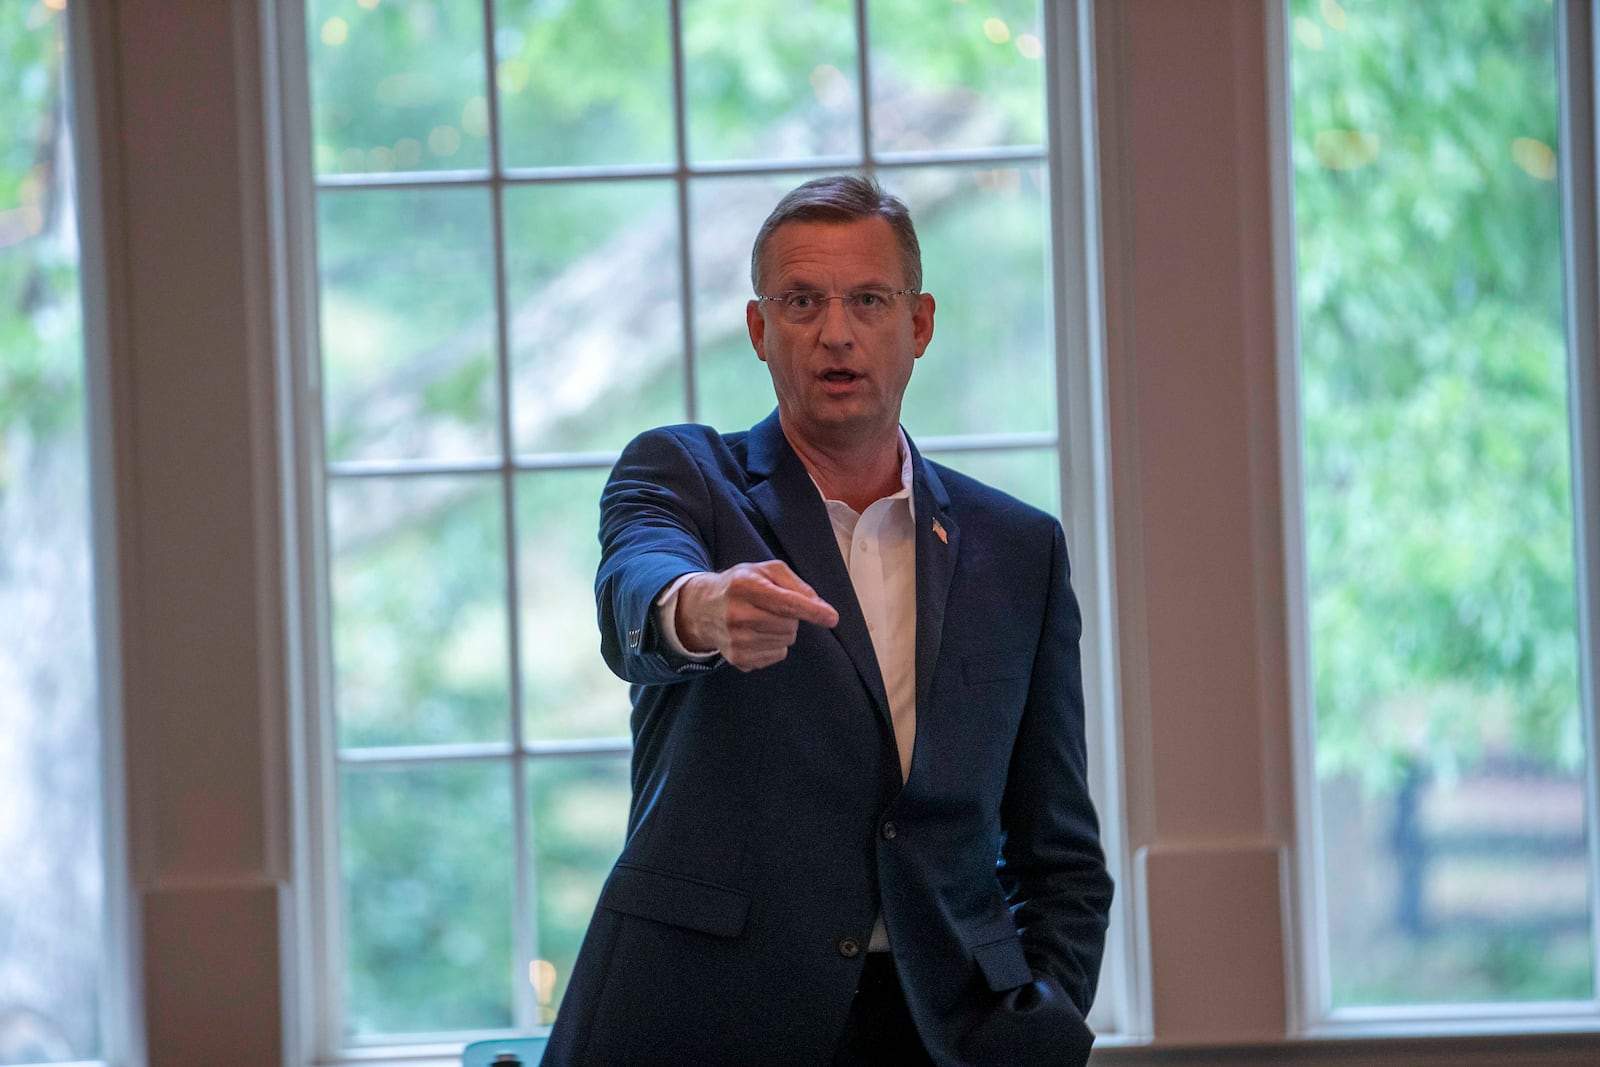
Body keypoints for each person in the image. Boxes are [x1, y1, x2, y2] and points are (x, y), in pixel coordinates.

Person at [543, 175, 1113, 1066]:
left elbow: (1060, 850)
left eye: (868, 300)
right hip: (700, 1020)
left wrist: (1041, 1022)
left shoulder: (1020, 547)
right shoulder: (686, 475)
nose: (836, 332)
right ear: (760, 330)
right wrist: (699, 608)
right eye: (802, 302)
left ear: (918, 324)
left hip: (948, 1030)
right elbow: (637, 581)